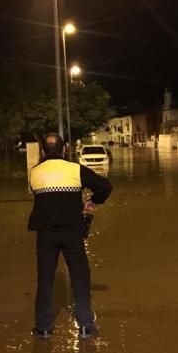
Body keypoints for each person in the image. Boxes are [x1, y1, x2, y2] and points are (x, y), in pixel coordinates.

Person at [28, 133, 112, 340]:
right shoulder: (76, 169)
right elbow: (105, 186)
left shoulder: (34, 172)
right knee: (80, 276)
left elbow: (36, 193)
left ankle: (43, 328)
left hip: (45, 234)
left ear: (43, 152)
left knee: (45, 278)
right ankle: (85, 326)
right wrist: (93, 201)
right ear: (65, 149)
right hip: (72, 232)